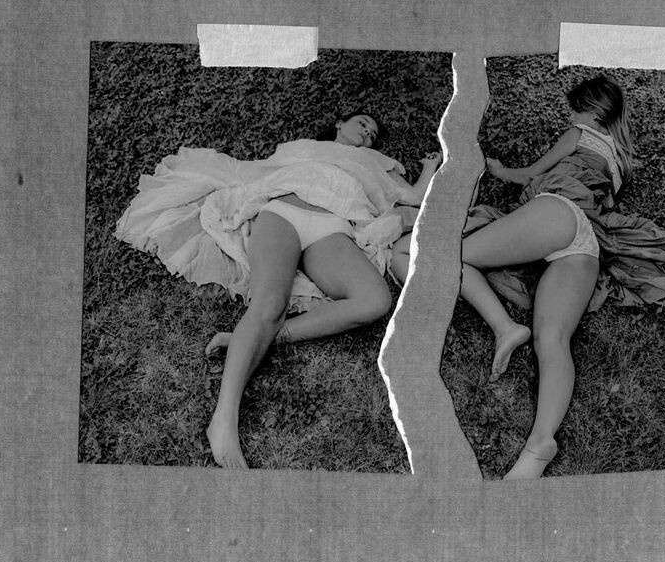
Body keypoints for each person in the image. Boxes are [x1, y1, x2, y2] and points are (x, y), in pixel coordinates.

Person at [115, 112, 441, 469]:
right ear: (338, 123)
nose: (367, 132)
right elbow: (258, 173)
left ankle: (265, 337)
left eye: (373, 133)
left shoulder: (374, 162)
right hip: (283, 213)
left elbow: (413, 196)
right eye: (362, 122)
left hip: (332, 228)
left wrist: (430, 167)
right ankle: (223, 419)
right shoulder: (302, 147)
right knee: (269, 304)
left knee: (375, 300)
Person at [440, 76, 665, 479]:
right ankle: (540, 444)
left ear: (591, 113)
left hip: (557, 213)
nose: (570, 117)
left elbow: (529, 175)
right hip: (586, 245)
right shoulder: (619, 158)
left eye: (574, 110)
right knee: (553, 339)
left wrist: (499, 168)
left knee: (446, 258)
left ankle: (505, 328)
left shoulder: (578, 134)